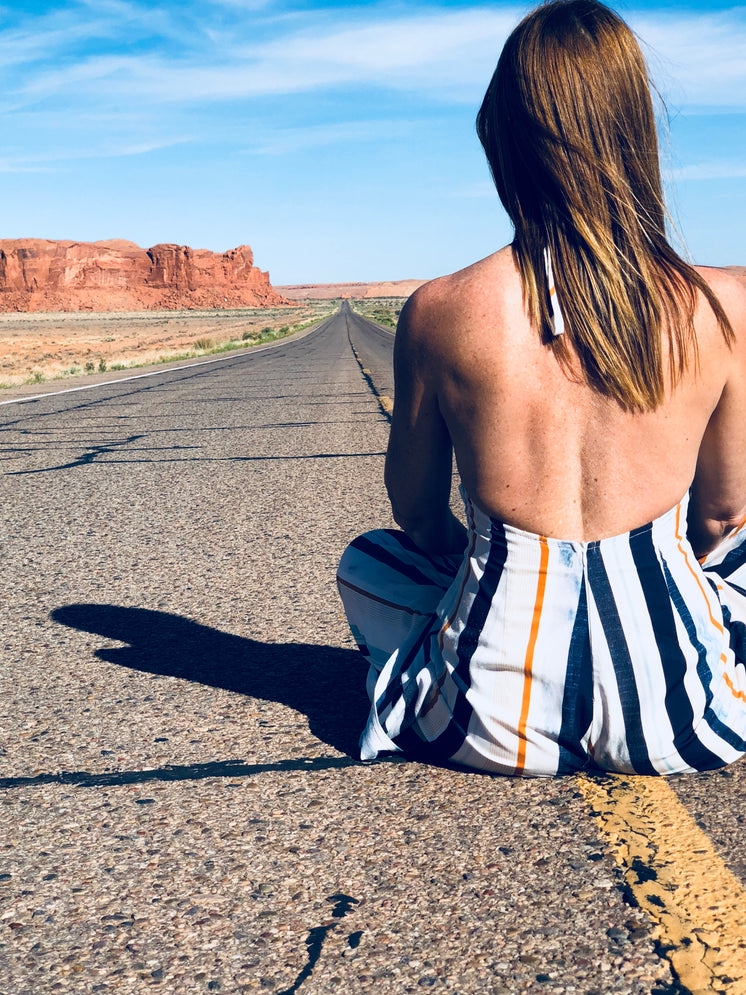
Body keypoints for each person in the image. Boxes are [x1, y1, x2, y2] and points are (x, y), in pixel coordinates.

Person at [337, 0, 746, 776]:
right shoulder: (721, 304)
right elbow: (724, 514)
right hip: (681, 725)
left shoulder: (439, 311)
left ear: (505, 138)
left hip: (487, 720)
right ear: (635, 133)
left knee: (369, 560)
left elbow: (417, 517)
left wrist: (467, 567)